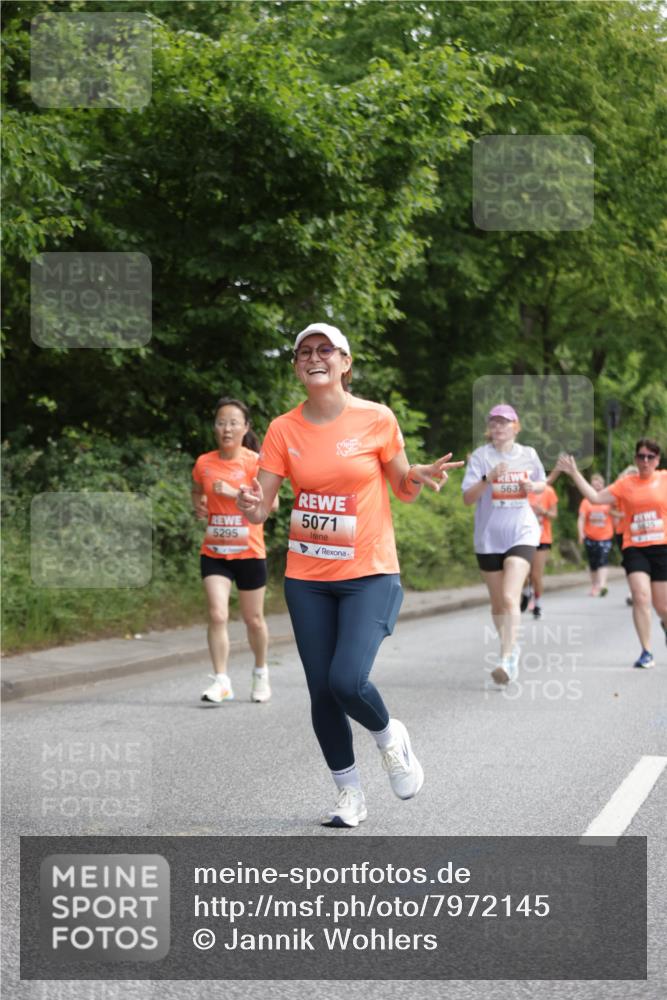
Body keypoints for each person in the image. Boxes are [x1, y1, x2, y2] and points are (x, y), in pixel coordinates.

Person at [237, 322, 463, 828]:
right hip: (308, 578)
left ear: (345, 362)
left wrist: (417, 475)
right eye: (304, 352)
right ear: (296, 366)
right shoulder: (282, 429)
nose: (314, 357)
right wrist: (252, 506)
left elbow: (402, 487)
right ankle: (349, 794)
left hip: (370, 573)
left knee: (346, 680)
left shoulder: (376, 418)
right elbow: (262, 506)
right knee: (322, 690)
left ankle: (389, 737)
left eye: (325, 350)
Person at [192, 397, 277, 704]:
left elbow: (273, 505)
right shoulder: (204, 462)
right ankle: (221, 681)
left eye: (233, 423)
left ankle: (260, 671)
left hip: (249, 552)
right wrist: (199, 506)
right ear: (214, 427)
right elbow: (197, 491)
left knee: (253, 620)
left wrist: (232, 493)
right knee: (217, 614)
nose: (226, 429)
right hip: (215, 551)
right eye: (221, 423)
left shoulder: (255, 462)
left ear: (245, 427)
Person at [557, 440, 667, 669]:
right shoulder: (626, 484)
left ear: (657, 460)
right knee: (640, 596)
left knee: (662, 606)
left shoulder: (664, 479)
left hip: (662, 547)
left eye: (650, 457)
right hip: (635, 547)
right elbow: (595, 498)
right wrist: (575, 473)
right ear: (636, 459)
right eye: (641, 456)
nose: (645, 461)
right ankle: (646, 651)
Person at [462, 404, 546, 684]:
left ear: (515, 427)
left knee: (510, 597)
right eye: (494, 422)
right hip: (488, 538)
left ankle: (507, 658)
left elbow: (542, 483)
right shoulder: (480, 456)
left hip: (522, 533)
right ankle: (510, 646)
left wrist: (533, 487)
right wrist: (488, 478)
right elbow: (468, 498)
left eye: (504, 422)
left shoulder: (528, 454)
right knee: (498, 603)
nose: (498, 426)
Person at [577, 473, 614, 596]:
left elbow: (616, 514)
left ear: (603, 485)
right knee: (593, 562)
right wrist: (580, 533)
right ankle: (595, 585)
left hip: (605, 536)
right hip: (590, 537)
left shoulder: (608, 500)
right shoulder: (586, 501)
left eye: (599, 484)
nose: (597, 487)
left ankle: (602, 585)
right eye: (594, 485)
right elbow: (581, 518)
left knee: (603, 559)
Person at [526, 479, 559, 617]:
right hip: (524, 537)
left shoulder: (548, 491)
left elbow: (554, 515)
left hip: (542, 537)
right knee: (524, 573)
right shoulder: (523, 489)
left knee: (536, 574)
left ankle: (537, 603)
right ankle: (526, 594)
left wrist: (543, 511)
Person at [611, 465, 638, 606]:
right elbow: (610, 510)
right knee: (629, 563)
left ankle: (642, 589)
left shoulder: (644, 491)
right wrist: (620, 514)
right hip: (623, 532)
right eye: (628, 476)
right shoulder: (619, 492)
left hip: (640, 532)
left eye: (634, 476)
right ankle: (632, 591)